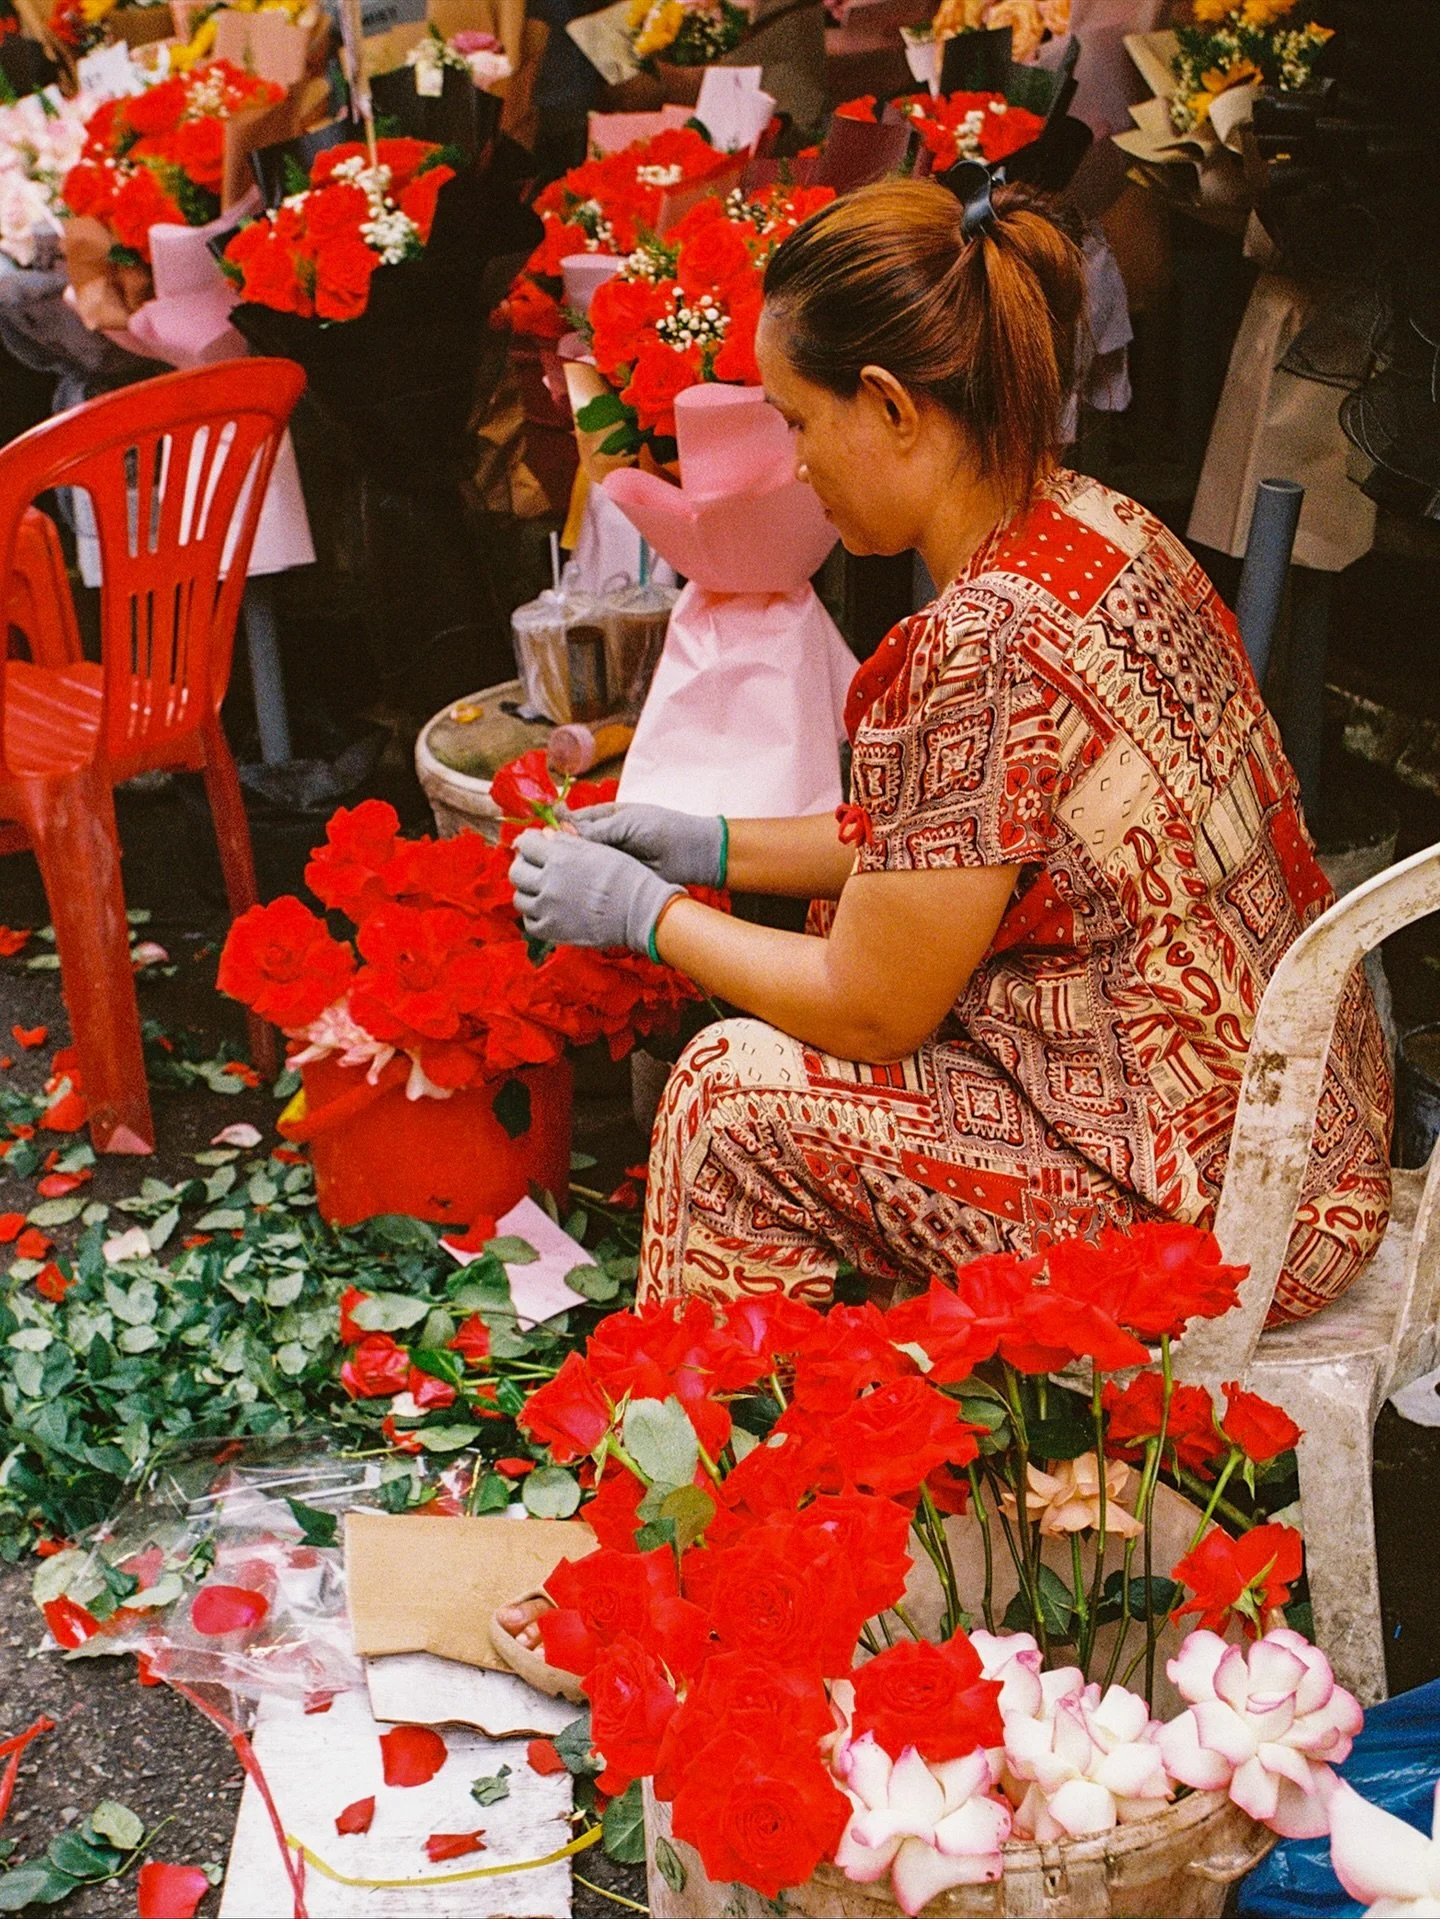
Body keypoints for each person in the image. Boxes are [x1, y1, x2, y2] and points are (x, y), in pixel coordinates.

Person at [509, 176, 1393, 1327]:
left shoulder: (986, 640)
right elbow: (949, 846)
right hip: (1300, 1136)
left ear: (889, 404)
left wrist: (646, 913)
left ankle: (738, 1481)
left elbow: (875, 1006)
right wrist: (710, 844)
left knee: (731, 1099)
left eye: (798, 420)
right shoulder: (1096, 524)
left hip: (1223, 1211)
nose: (797, 462)